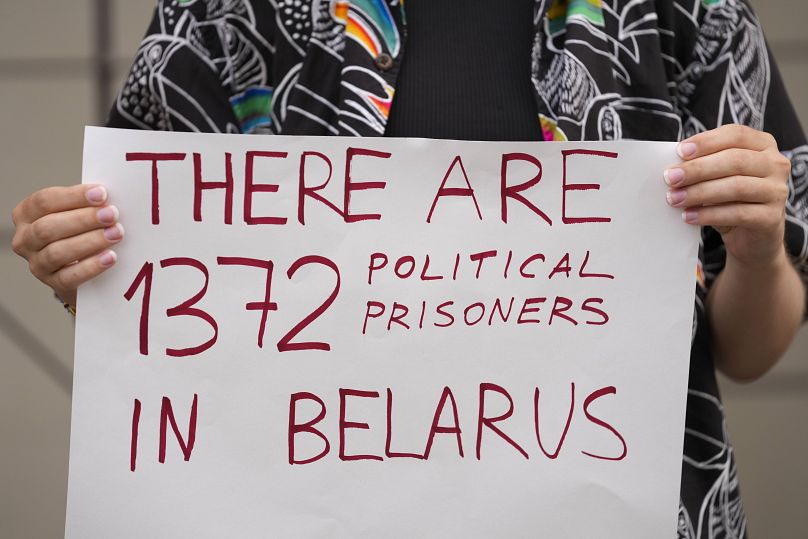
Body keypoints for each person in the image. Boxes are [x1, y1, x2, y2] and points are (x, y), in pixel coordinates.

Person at [10, 0, 808, 536]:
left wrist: (758, 247)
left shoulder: (684, 11)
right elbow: (161, 286)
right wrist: (83, 267)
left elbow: (748, 350)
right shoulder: (227, 12)